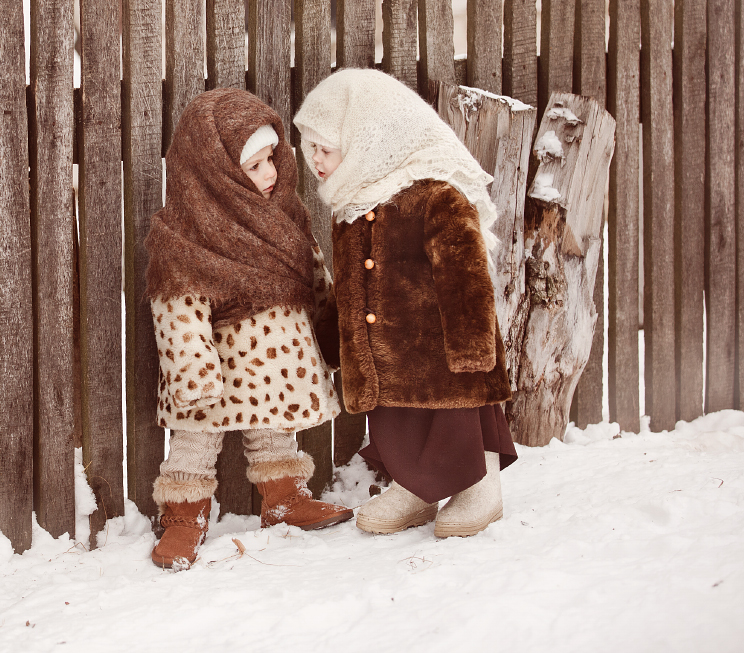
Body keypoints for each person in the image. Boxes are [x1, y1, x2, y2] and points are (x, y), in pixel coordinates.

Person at [293, 68, 516, 539]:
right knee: (399, 423)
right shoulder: (351, 205)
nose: (314, 159)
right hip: (388, 355)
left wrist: (473, 349)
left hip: (442, 351)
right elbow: (349, 287)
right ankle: (416, 487)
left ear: (365, 141)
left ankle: (482, 484)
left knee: (456, 417)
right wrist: (336, 344)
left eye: (325, 148)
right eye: (309, 147)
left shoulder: (436, 196)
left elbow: (466, 276)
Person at [144, 88, 351, 571]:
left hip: (277, 369)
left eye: (271, 159)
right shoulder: (187, 234)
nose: (271, 174)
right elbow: (178, 306)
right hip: (220, 369)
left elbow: (313, 274)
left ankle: (284, 499)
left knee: (276, 430)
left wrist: (332, 331)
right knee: (195, 443)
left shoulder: (286, 215)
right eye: (254, 166)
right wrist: (194, 375)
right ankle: (183, 516)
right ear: (216, 173)